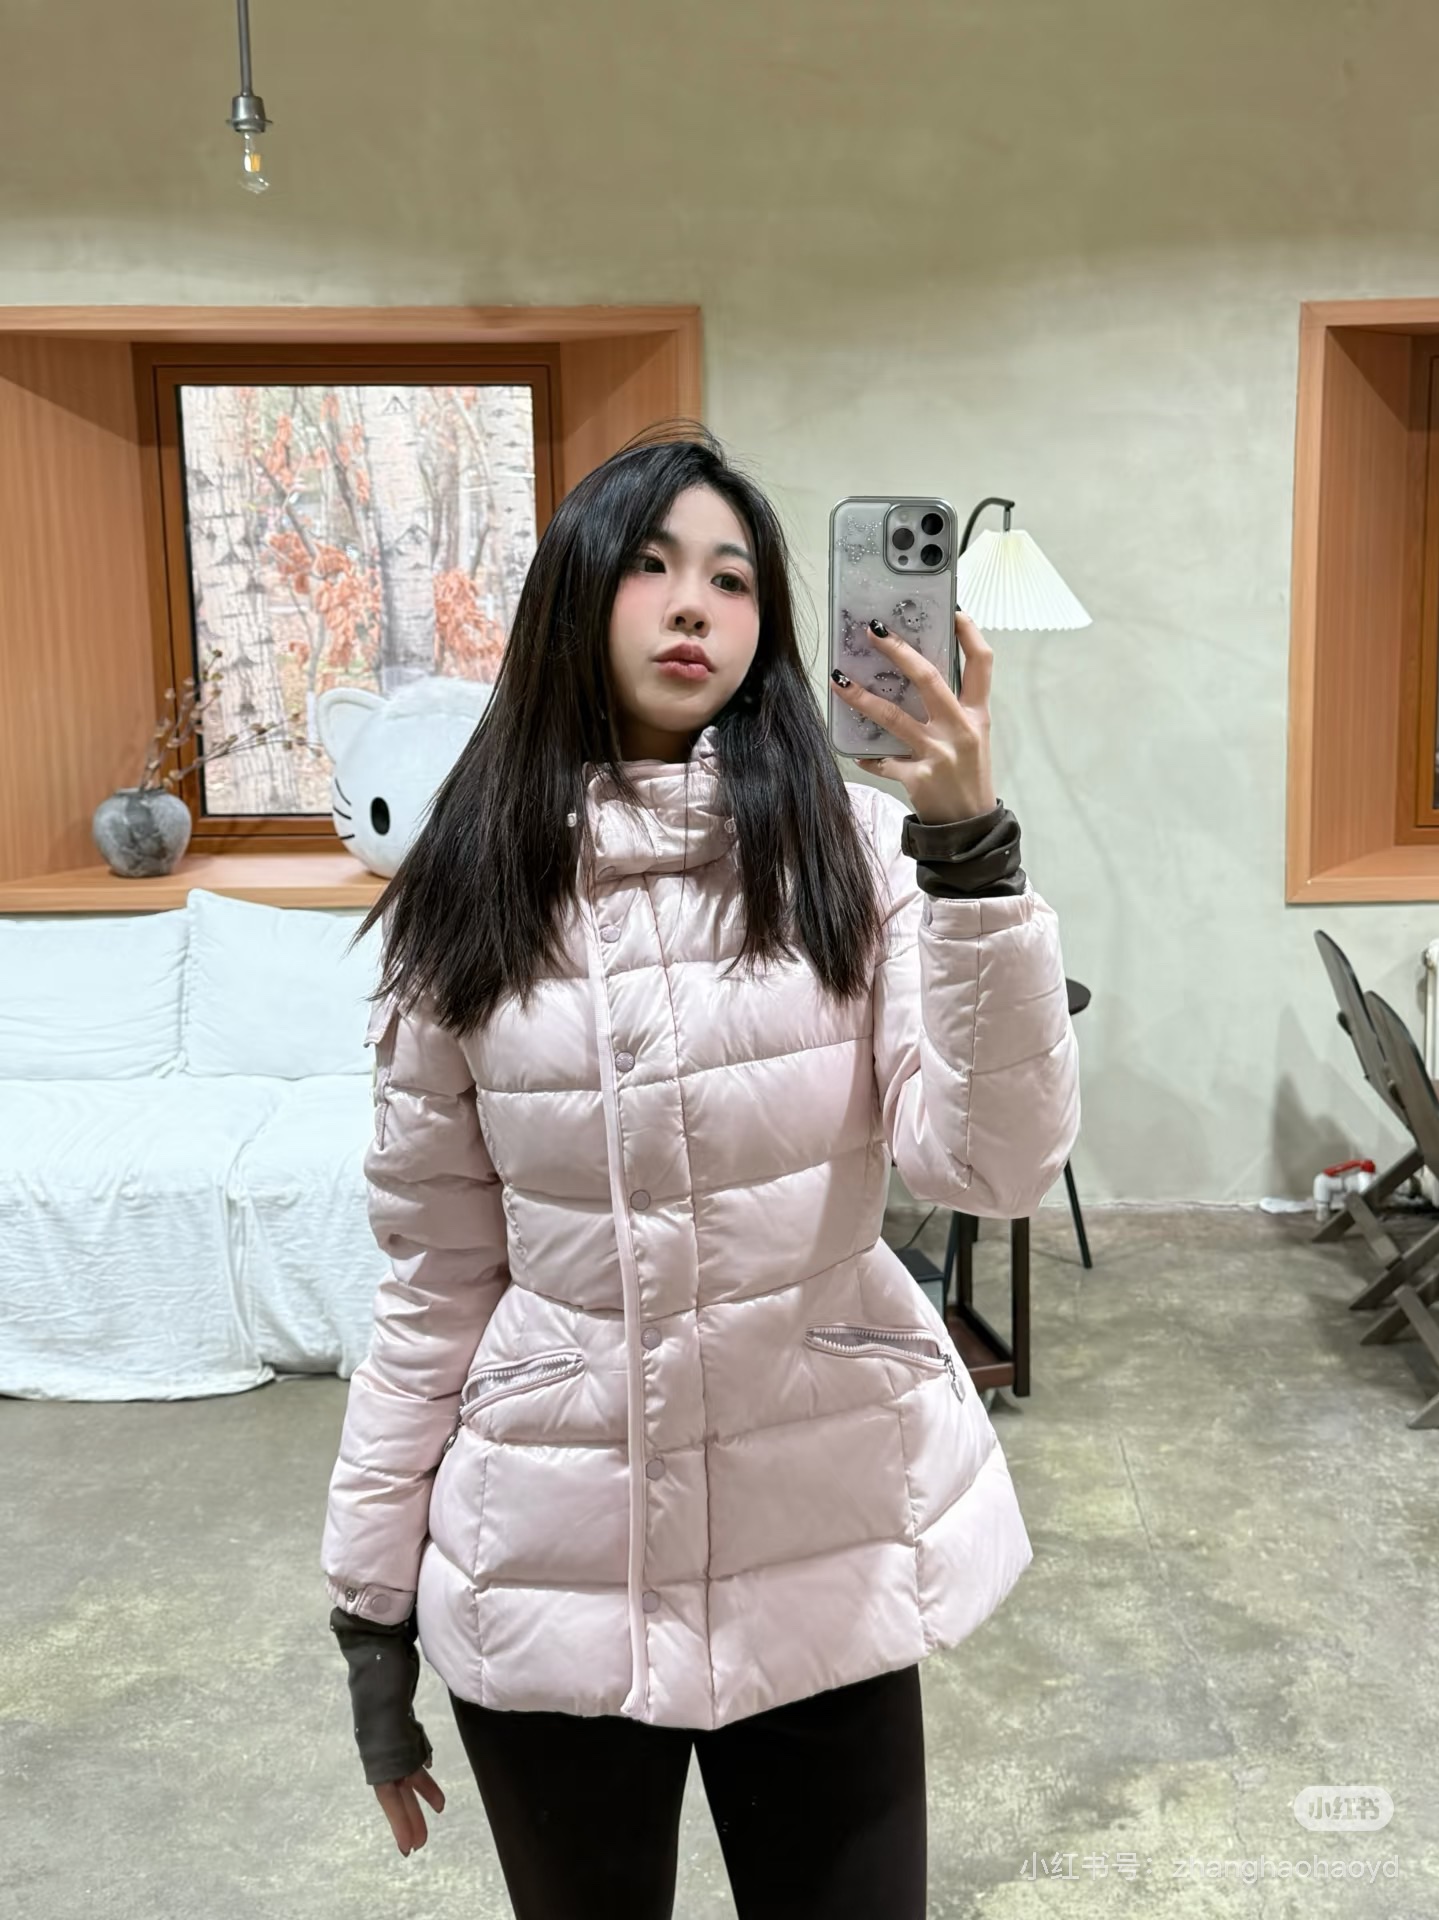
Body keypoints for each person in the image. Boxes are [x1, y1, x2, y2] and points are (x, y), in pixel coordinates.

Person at [322, 424, 1081, 1919]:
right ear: (574, 596)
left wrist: (972, 862)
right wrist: (369, 1606)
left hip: (826, 1540)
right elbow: (436, 1287)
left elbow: (990, 1163)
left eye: (733, 580)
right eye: (653, 566)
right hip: (552, 1557)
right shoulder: (469, 893)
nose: (694, 606)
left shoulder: (860, 857)